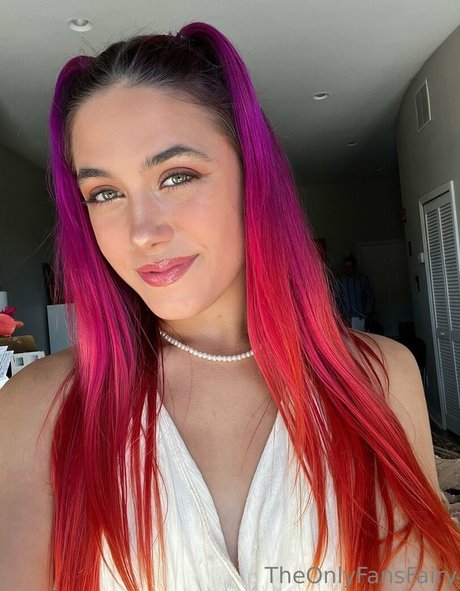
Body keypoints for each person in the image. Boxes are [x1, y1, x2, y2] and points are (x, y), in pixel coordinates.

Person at [0, 21, 459, 591]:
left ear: (252, 177)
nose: (142, 232)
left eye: (177, 176)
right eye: (105, 193)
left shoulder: (379, 376)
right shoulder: (38, 409)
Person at [335, 254, 375, 331]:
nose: (347, 269)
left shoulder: (363, 280)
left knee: (360, 336)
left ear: (354, 267)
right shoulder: (339, 281)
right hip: (346, 317)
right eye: (345, 266)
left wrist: (367, 313)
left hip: (360, 316)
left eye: (349, 266)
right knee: (348, 337)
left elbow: (369, 297)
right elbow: (337, 299)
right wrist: (340, 315)